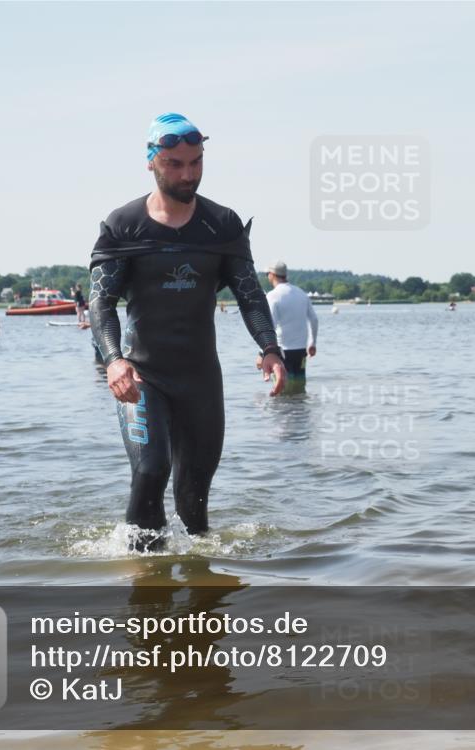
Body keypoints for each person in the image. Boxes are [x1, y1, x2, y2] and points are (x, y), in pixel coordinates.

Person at [89, 112, 285, 551]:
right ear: (151, 162)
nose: (187, 173)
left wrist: (270, 349)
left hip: (200, 379)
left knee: (194, 501)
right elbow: (100, 303)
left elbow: (249, 293)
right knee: (150, 469)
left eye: (195, 162)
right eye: (175, 164)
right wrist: (114, 359)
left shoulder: (222, 224)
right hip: (143, 376)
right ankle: (144, 583)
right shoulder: (123, 226)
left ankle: (199, 595)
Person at [265, 260, 318, 384]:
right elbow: (314, 320)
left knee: (282, 389)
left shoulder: (273, 295)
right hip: (301, 351)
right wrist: (312, 343)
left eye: (267, 273)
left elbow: (270, 325)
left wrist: (264, 353)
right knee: (299, 386)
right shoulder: (301, 293)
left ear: (272, 274)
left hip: (282, 351)